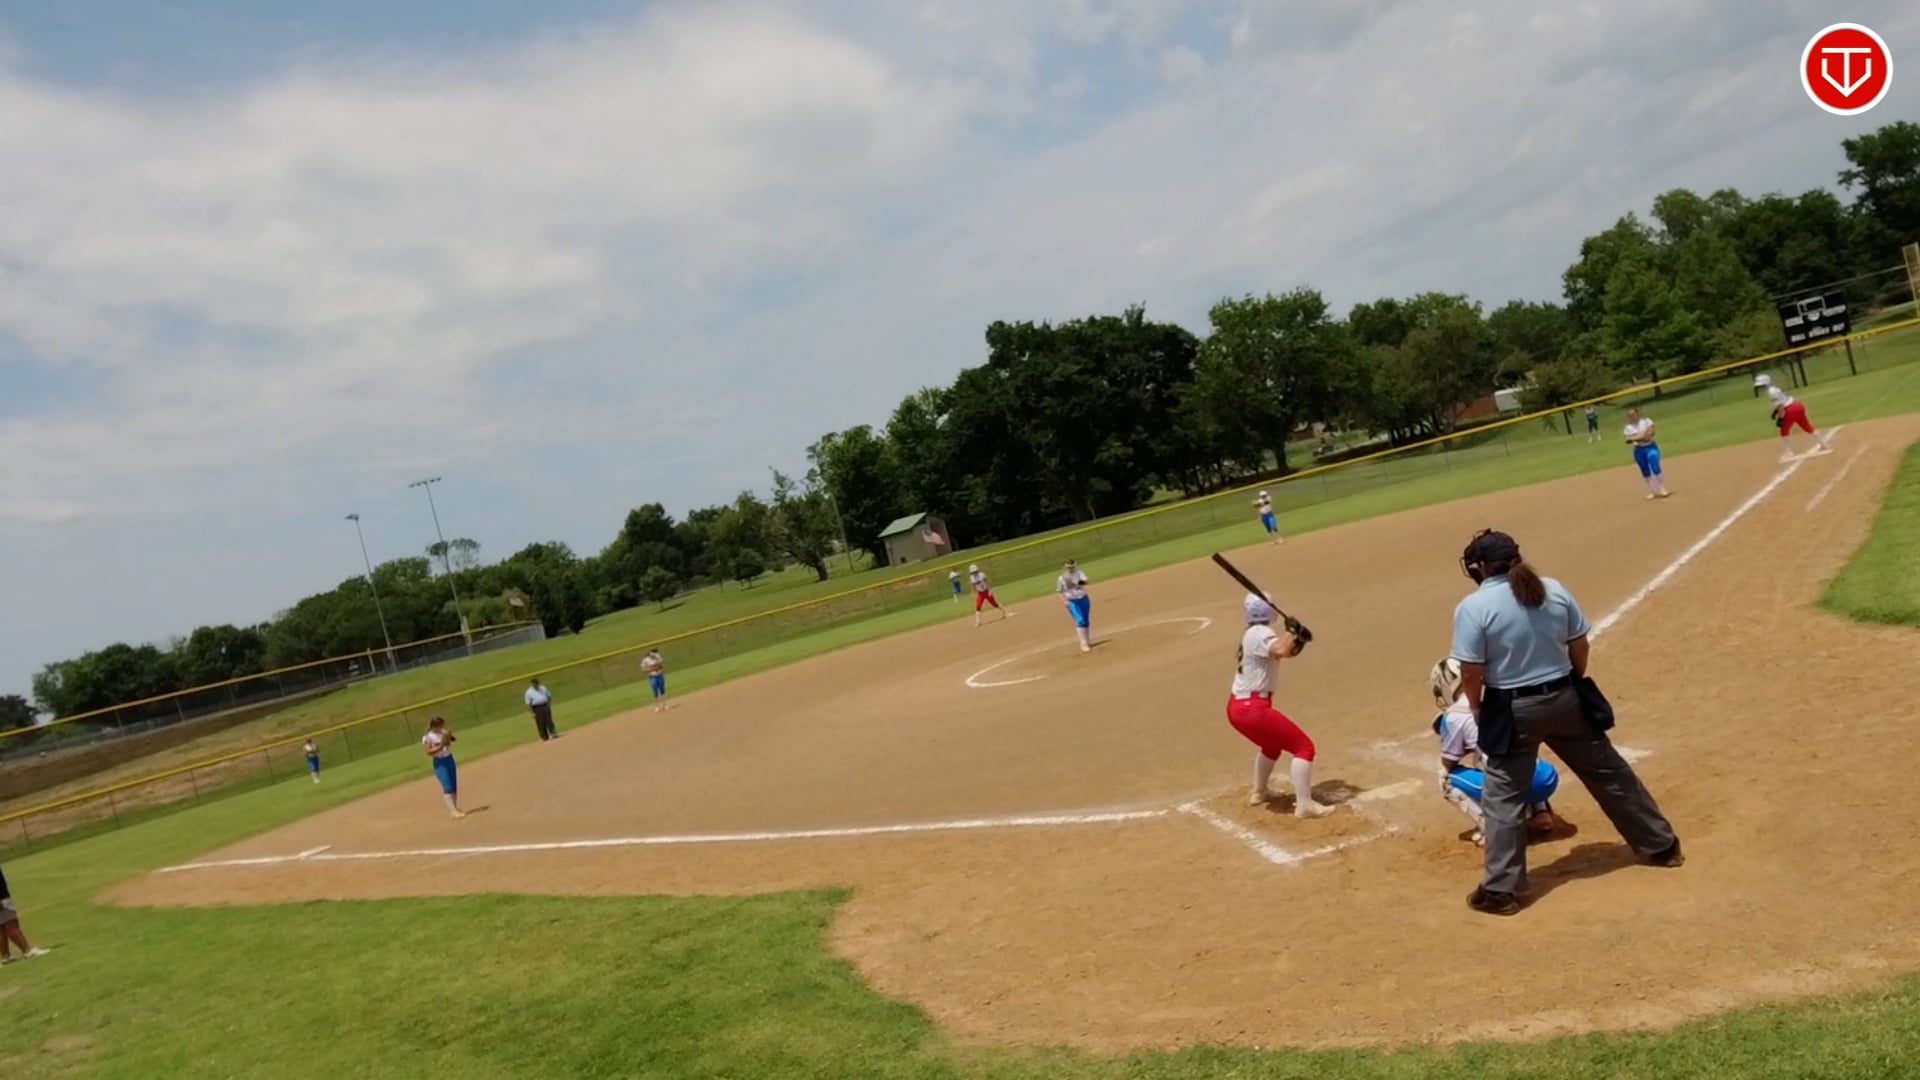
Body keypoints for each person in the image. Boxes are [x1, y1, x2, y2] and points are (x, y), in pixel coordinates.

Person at [1449, 528, 1682, 916]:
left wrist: (1476, 707)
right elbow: (1579, 645)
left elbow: (1471, 672)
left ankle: (1502, 890)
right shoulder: (1552, 589)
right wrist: (1570, 681)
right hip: (1567, 698)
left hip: (1512, 708)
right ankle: (1661, 846)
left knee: (1504, 796)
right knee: (1609, 773)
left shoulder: (1474, 607)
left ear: (1481, 567)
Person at [1428, 657, 1562, 847]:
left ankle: (1493, 830)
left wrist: (1462, 743)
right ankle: (1541, 812)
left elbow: (1449, 761)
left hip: (1514, 785)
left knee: (1447, 777)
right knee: (1520, 749)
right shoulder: (1500, 692)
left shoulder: (1456, 714)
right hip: (1546, 778)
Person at [1225, 593, 1334, 817]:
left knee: (1272, 746)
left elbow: (1284, 652)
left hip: (1239, 707)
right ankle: (1304, 805)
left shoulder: (1252, 633)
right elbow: (1281, 651)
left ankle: (1260, 792)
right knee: (1304, 747)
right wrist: (1292, 632)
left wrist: (1296, 637)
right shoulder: (1260, 632)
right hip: (1253, 708)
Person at [1755, 373, 1834, 462]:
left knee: (1784, 431)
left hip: (1790, 410)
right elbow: (1783, 400)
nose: (1761, 387)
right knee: (1807, 427)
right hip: (1797, 406)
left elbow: (1781, 405)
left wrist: (1780, 417)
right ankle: (1824, 444)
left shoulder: (1771, 392)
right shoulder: (1775, 389)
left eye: (1762, 385)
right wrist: (1775, 411)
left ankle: (1789, 452)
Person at [0, 862, 51, 965]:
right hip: (1, 897)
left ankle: (5, 956)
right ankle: (27, 951)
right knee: (11, 923)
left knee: (1, 927)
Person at [422, 716, 467, 819]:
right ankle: (452, 811)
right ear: (434, 726)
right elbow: (428, 752)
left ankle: (455, 808)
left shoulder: (443, 732)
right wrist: (441, 746)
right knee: (447, 786)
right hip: (440, 762)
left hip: (449, 759)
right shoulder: (428, 737)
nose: (441, 727)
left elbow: (453, 740)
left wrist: (449, 736)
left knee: (453, 784)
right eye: (440, 725)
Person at [1622, 407, 1671, 500]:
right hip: (1639, 450)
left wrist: (1635, 437)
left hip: (1650, 446)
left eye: (1633, 414)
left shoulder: (1646, 421)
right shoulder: (1628, 427)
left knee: (1655, 465)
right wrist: (1641, 436)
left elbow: (1650, 434)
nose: (1632, 416)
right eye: (1629, 415)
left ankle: (1662, 488)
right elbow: (1627, 439)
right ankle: (1652, 491)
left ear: (1637, 413)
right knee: (1644, 469)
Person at [1056, 559, 1093, 653]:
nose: (1071, 569)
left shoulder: (1079, 573)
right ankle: (1083, 643)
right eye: (1069, 567)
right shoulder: (1061, 578)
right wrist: (1064, 601)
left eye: (1072, 567)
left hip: (1083, 598)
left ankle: (1087, 640)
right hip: (1072, 601)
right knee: (1080, 620)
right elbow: (1059, 591)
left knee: (1086, 620)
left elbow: (1086, 582)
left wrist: (1077, 583)